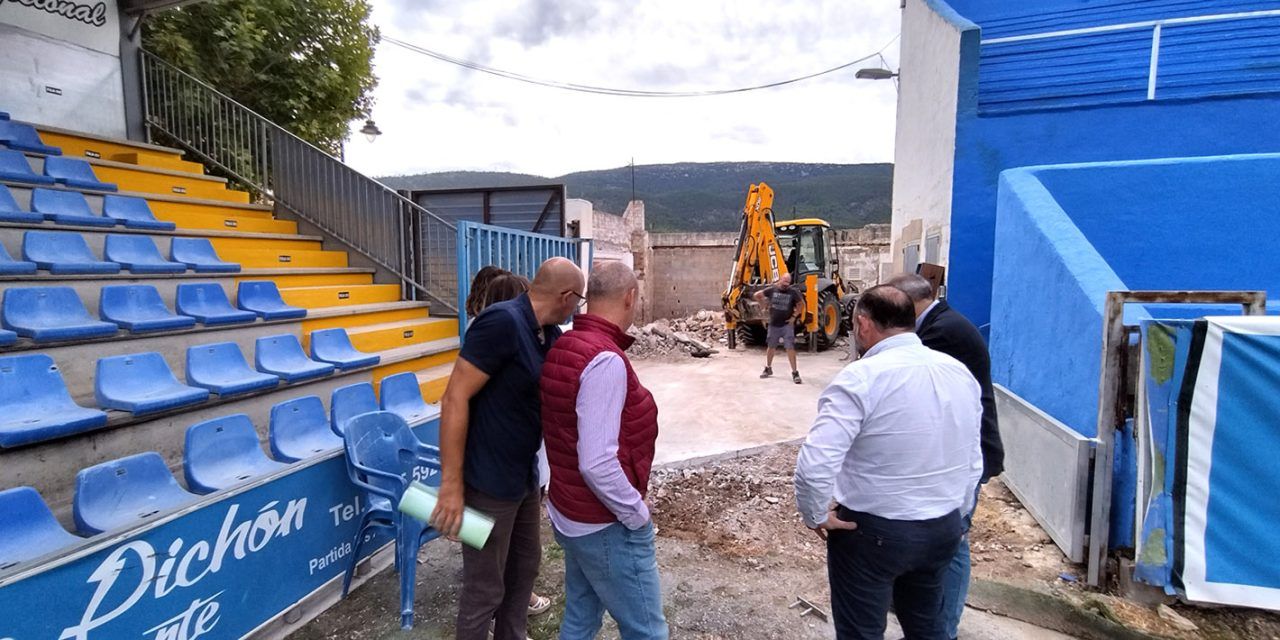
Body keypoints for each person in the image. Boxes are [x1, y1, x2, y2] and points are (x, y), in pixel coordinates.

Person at [793, 285, 983, 640]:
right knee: (927, 627)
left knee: (862, 632)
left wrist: (815, 514)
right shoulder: (957, 372)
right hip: (942, 528)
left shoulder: (861, 377)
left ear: (863, 324)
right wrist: (958, 512)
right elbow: (974, 458)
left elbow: (816, 461)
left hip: (873, 534)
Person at [431, 257, 586, 640]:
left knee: (523, 570)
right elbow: (454, 399)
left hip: (521, 479)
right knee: (485, 588)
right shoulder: (502, 322)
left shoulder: (545, 335)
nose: (576, 309)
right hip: (487, 483)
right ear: (566, 297)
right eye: (578, 301)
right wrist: (451, 487)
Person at [541, 261, 667, 640]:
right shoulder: (605, 360)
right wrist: (636, 513)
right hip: (602, 522)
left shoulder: (565, 345)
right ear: (630, 298)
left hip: (571, 513)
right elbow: (596, 462)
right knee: (647, 631)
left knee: (581, 619)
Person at [887, 273, 1004, 640]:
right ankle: (927, 616)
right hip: (956, 450)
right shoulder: (942, 324)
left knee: (953, 543)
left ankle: (943, 627)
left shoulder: (941, 333)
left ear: (909, 305)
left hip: (964, 454)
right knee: (939, 539)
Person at [465, 268, 554, 619]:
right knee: (485, 578)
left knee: (518, 559)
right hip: (493, 477)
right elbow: (459, 404)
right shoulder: (493, 339)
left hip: (519, 472)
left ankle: (511, 607)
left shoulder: (532, 340)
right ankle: (492, 614)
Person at [754, 273, 805, 384]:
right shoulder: (772, 289)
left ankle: (795, 372)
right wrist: (763, 305)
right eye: (784, 282)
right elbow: (757, 295)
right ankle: (768, 368)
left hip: (787, 325)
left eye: (788, 283)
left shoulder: (793, 292)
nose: (786, 285)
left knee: (790, 348)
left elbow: (801, 304)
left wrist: (793, 317)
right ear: (780, 280)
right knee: (771, 346)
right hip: (774, 324)